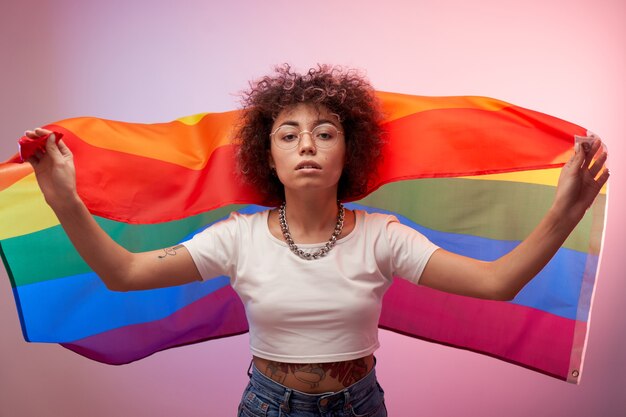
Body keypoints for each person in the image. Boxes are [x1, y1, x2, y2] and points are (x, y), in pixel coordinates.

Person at [25, 64, 609, 417]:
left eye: (324, 132)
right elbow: (124, 273)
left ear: (346, 152)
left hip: (360, 405)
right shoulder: (238, 238)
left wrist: (566, 212)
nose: (307, 144)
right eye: (289, 134)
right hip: (269, 407)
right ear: (267, 155)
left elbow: (496, 282)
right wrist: (64, 200)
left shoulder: (383, 237)